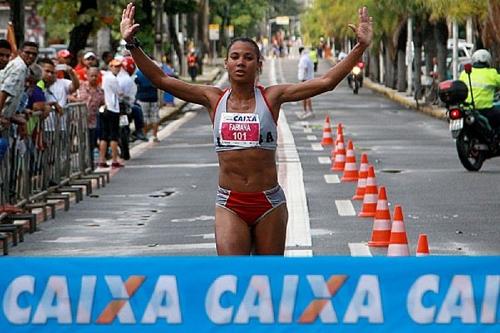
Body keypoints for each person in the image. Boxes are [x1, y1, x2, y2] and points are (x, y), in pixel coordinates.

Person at [121, 3, 373, 255]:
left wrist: (360, 47)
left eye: (248, 57)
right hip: (230, 203)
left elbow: (326, 82)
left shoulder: (272, 97)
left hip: (269, 203)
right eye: (235, 57)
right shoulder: (213, 99)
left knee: (267, 280)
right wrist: (132, 45)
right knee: (234, 277)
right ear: (226, 64)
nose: (241, 62)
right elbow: (161, 79)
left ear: (258, 65)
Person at [459, 49, 500, 136]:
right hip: (486, 110)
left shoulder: (465, 73)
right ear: (488, 61)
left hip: (467, 109)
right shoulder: (492, 73)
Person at [99, 58, 125, 169]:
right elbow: (119, 93)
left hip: (103, 109)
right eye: (115, 66)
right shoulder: (112, 79)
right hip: (112, 109)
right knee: (113, 135)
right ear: (110, 67)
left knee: (104, 136)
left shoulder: (104, 77)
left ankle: (102, 160)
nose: (117, 68)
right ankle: (114, 160)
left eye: (119, 66)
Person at [77, 67, 104, 168]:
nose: (93, 78)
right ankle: (82, 165)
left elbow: (102, 103)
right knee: (81, 144)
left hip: (92, 122)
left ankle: (90, 165)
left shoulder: (100, 91)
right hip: (79, 121)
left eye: (95, 76)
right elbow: (69, 96)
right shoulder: (80, 86)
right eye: (91, 75)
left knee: (91, 144)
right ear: (87, 76)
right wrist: (77, 101)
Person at [135, 63, 160, 142]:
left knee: (144, 118)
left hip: (142, 98)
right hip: (154, 98)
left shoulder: (138, 73)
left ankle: (145, 135)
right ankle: (155, 136)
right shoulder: (154, 72)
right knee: (155, 117)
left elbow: (135, 84)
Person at [297, 47, 314, 119]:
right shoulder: (308, 58)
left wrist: (303, 80)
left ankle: (306, 110)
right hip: (308, 78)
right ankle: (308, 110)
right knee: (306, 95)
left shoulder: (304, 59)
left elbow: (305, 68)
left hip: (305, 79)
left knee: (305, 95)